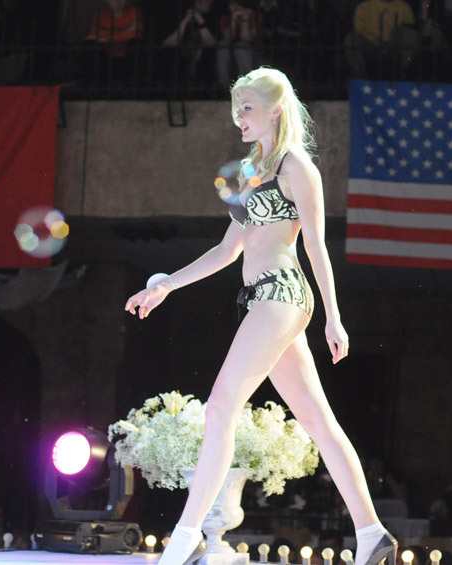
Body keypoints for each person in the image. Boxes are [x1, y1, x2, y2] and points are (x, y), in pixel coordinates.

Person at [124, 66, 396, 565]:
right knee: (317, 420)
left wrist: (334, 318)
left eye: (246, 108)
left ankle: (185, 538)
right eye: (236, 109)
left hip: (283, 294)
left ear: (275, 110)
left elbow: (316, 246)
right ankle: (373, 534)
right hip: (263, 299)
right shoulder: (251, 170)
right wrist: (167, 284)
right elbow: (227, 250)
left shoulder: (297, 167)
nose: (239, 118)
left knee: (220, 407)